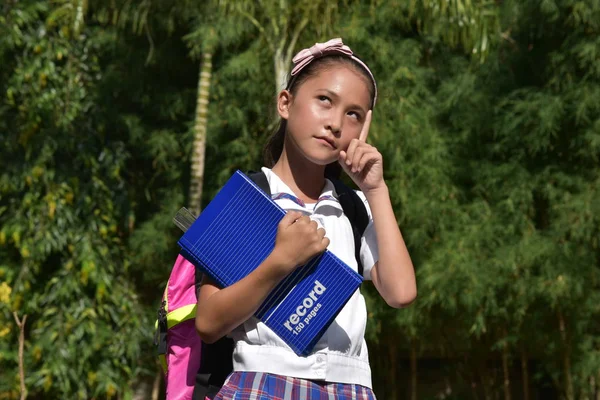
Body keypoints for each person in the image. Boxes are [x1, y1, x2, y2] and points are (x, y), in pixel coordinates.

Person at [195, 37, 417, 399]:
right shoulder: (246, 198)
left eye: (353, 114)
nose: (335, 123)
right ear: (285, 103)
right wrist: (281, 261)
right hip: (263, 383)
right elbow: (208, 322)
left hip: (352, 388)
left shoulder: (355, 206)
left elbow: (401, 292)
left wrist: (376, 190)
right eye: (325, 101)